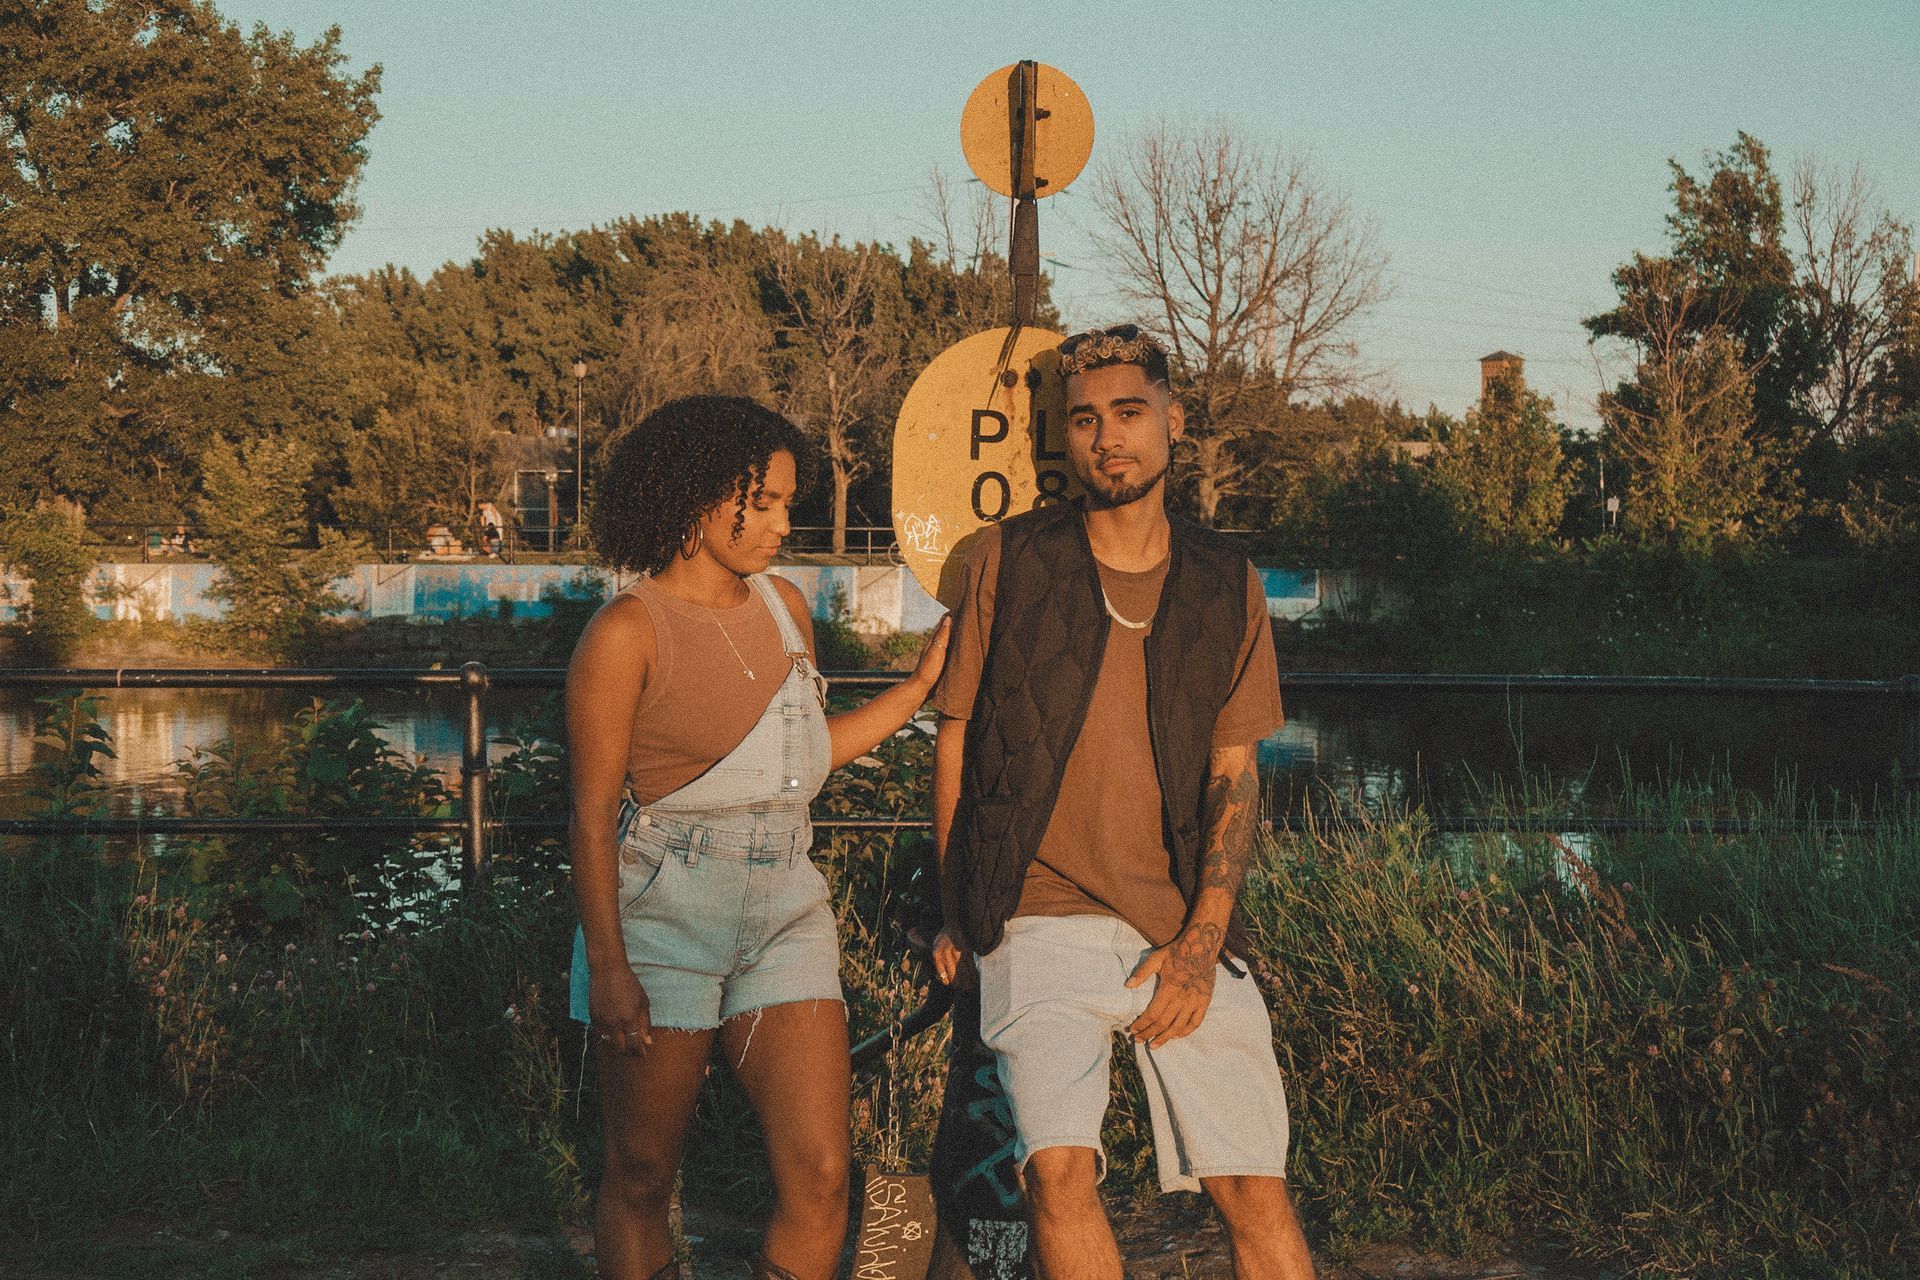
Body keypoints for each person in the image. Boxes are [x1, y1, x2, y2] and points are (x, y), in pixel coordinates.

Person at [929, 326, 1313, 1279]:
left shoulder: (1227, 582)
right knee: (1058, 1172)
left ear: (1173, 422)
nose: (1108, 438)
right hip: (1035, 915)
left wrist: (1201, 942)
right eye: (1085, 420)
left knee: (1252, 1185)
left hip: (1177, 920)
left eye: (1130, 413)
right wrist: (959, 910)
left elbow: (1235, 771)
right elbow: (957, 742)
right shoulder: (1007, 561)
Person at [566, 396, 948, 1280]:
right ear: (696, 498)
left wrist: (916, 687)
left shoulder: (785, 608)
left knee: (821, 1174)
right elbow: (588, 816)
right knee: (642, 1173)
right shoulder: (626, 632)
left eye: (787, 503)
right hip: (663, 915)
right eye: (763, 502)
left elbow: (800, 758)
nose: (783, 524)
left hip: (786, 905)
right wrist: (609, 966)